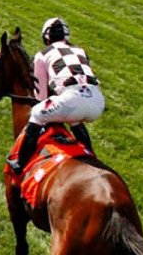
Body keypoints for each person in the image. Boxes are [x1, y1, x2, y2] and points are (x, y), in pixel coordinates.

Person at [7, 17, 104, 174]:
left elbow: (40, 96)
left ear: (46, 37)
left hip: (72, 100)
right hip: (98, 102)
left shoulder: (42, 55)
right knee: (74, 118)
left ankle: (20, 162)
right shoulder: (81, 51)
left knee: (37, 113)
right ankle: (91, 155)